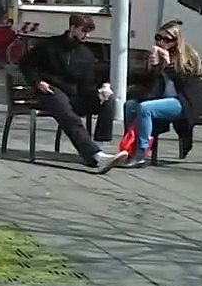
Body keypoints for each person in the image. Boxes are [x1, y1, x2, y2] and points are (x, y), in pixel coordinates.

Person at [18, 14, 127, 173]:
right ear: (73, 28)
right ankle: (95, 155)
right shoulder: (49, 46)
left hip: (75, 95)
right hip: (50, 91)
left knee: (107, 101)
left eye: (89, 32)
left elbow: (87, 83)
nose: (87, 36)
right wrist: (37, 82)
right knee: (68, 115)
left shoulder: (86, 54)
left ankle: (99, 148)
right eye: (84, 31)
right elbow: (25, 63)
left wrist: (101, 91)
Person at [122, 20, 202, 168]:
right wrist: (152, 69)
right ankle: (129, 147)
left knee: (145, 108)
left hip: (183, 101)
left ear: (176, 42)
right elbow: (147, 84)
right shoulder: (155, 55)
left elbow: (187, 84)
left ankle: (141, 152)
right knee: (130, 105)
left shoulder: (188, 57)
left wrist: (168, 66)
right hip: (161, 99)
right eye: (158, 38)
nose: (161, 42)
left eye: (167, 39)